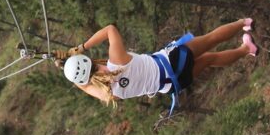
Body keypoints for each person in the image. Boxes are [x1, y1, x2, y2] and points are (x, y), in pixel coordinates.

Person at [56, 19, 258, 108]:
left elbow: (84, 85)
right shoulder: (116, 62)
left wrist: (65, 66)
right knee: (211, 39)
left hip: (173, 83)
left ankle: (246, 49)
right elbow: (110, 29)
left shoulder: (108, 93)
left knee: (210, 60)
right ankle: (243, 23)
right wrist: (81, 47)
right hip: (172, 60)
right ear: (86, 59)